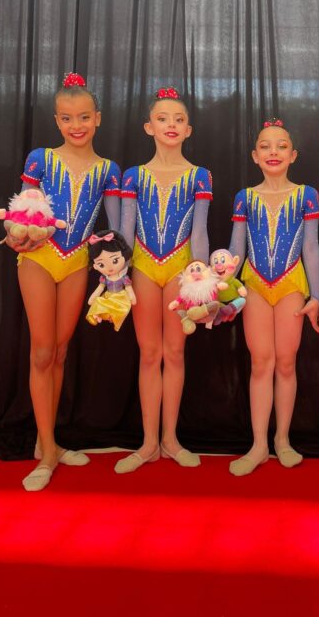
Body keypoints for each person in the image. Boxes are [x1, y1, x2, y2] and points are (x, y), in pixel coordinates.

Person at [4, 73, 122, 491]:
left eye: (85, 117)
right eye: (68, 118)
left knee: (59, 351)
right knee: (40, 351)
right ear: (57, 120)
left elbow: (116, 228)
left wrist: (119, 273)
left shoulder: (108, 169)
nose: (77, 125)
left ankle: (44, 441)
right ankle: (49, 452)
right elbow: (24, 208)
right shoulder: (40, 158)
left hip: (76, 263)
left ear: (98, 119)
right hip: (39, 258)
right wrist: (18, 233)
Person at [116, 87, 211, 473]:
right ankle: (148, 443)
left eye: (178, 120)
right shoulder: (134, 175)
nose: (170, 125)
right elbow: (124, 228)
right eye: (162, 118)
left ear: (188, 129)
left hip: (180, 269)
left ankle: (171, 440)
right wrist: (118, 277)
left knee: (174, 353)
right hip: (141, 266)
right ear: (148, 127)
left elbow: (200, 231)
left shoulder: (199, 175)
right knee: (149, 353)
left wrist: (201, 280)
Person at [227, 118, 319, 476]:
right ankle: (258, 444)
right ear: (254, 155)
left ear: (293, 154)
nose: (273, 152)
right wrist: (223, 285)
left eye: (281, 146)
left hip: (291, 284)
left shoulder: (306, 195)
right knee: (261, 362)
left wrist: (317, 294)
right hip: (253, 283)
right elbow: (236, 246)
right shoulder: (246, 197)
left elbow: (312, 247)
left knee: (286, 362)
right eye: (265, 146)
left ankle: (282, 439)